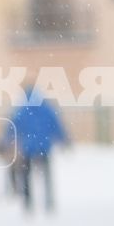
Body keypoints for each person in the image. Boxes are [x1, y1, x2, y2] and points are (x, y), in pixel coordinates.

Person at [6, 86, 68, 215]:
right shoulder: (46, 109)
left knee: (26, 177)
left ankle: (28, 203)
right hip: (44, 147)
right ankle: (49, 202)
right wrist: (63, 140)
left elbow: (12, 127)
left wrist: (7, 141)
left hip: (28, 148)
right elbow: (56, 125)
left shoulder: (22, 109)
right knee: (46, 176)